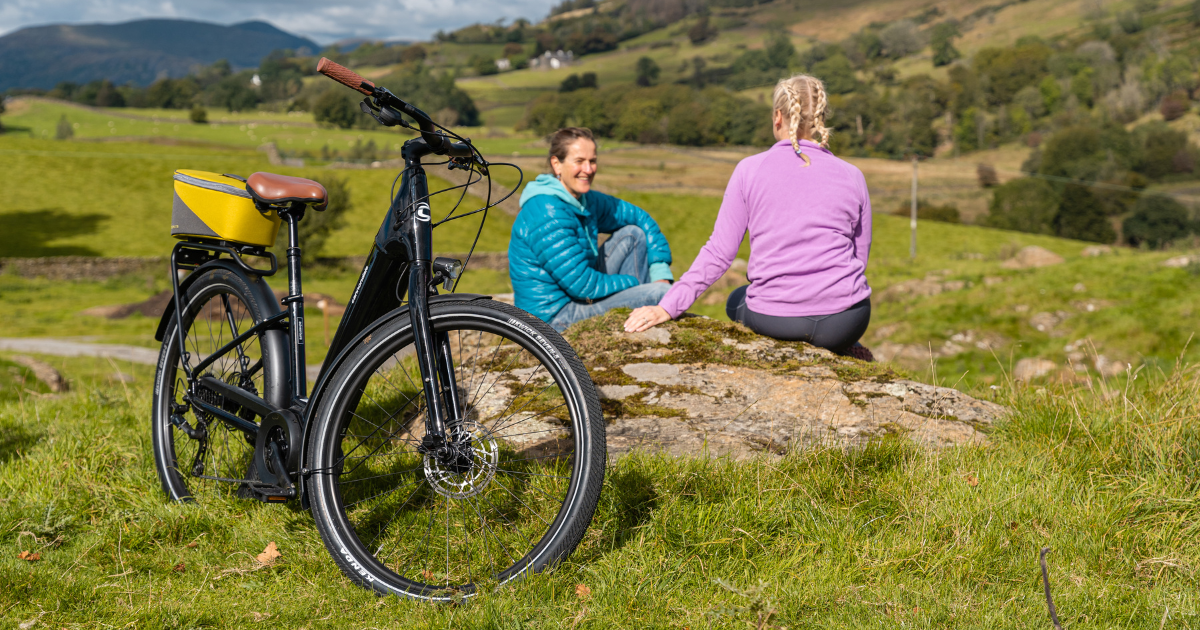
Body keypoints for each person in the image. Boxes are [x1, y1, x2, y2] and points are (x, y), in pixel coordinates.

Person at [624, 74, 873, 358]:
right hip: (846, 323)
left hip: (778, 321)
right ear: (820, 119)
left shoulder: (748, 169)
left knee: (736, 301)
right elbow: (858, 258)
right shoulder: (853, 175)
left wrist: (668, 306)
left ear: (778, 116)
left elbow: (719, 252)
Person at [510, 127, 675, 332]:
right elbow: (583, 286)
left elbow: (641, 219)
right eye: (579, 161)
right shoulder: (547, 211)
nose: (588, 169)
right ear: (556, 164)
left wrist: (660, 270)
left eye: (592, 161)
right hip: (553, 317)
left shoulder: (585, 200)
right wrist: (636, 285)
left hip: (578, 298)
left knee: (634, 234)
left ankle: (637, 318)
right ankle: (640, 317)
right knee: (661, 293)